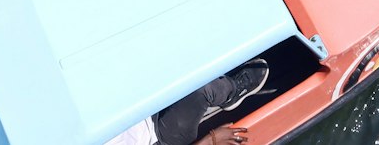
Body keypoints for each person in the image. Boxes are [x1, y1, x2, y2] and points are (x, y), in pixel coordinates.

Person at [104, 59, 270, 145]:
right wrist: (210, 141)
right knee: (203, 90)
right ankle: (232, 91)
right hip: (157, 136)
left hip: (133, 101)